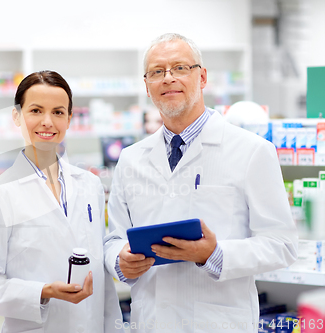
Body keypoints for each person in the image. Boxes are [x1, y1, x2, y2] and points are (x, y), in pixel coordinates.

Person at [103, 33, 298, 333]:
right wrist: (120, 261)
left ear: (202, 77)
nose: (168, 78)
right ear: (147, 86)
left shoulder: (252, 151)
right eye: (157, 72)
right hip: (152, 322)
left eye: (180, 68)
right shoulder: (131, 160)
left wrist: (213, 254)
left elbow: (281, 245)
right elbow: (113, 238)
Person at [0, 70, 123, 333]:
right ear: (17, 116)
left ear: (69, 118)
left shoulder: (90, 185)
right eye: (35, 111)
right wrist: (42, 292)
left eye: (57, 112)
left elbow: (101, 276)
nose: (47, 122)